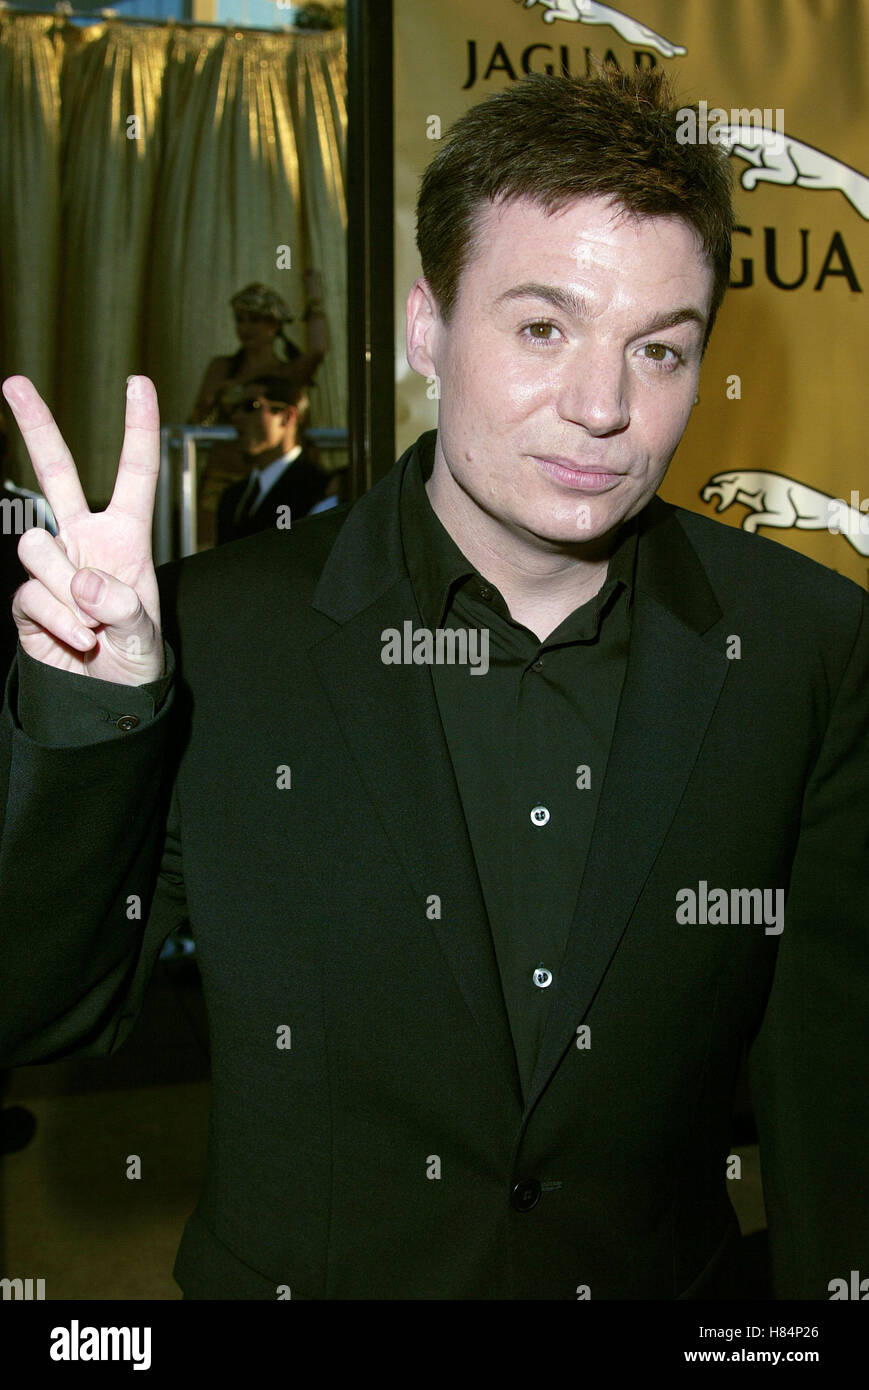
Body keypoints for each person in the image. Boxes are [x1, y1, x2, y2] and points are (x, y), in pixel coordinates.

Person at [0, 66, 866, 1302]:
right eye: (541, 328)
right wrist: (97, 706)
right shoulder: (227, 631)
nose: (601, 408)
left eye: (659, 350)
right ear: (425, 329)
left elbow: (834, 1093)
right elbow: (38, 1006)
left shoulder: (804, 645)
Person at [190, 273, 328, 546]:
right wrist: (210, 400)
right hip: (220, 479)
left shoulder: (285, 372)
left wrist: (314, 295)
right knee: (206, 557)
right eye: (240, 319)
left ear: (274, 325)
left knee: (265, 551)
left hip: (269, 479)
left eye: (254, 319)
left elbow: (318, 350)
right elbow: (196, 420)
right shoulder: (222, 367)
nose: (245, 327)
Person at [215, 377, 329, 546]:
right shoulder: (233, 497)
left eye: (251, 406)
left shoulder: (318, 490)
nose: (237, 417)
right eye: (235, 408)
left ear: (287, 416)